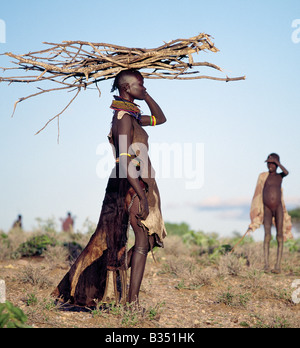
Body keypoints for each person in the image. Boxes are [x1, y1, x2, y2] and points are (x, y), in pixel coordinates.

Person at [52, 69, 167, 307]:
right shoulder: (123, 118)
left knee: (148, 241)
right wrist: (141, 196)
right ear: (126, 87)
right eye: (139, 85)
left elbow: (161, 118)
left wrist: (146, 97)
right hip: (129, 184)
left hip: (138, 182)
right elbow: (124, 161)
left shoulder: (133, 117)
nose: (143, 88)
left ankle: (115, 268)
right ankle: (132, 304)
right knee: (143, 241)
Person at [248, 153, 293, 273]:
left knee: (279, 236)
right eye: (268, 163)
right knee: (267, 235)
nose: (270, 165)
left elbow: (287, 172)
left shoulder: (279, 176)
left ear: (277, 164)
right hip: (266, 208)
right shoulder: (264, 177)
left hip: (278, 208)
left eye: (272, 163)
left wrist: (278, 163)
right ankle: (266, 265)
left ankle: (277, 266)